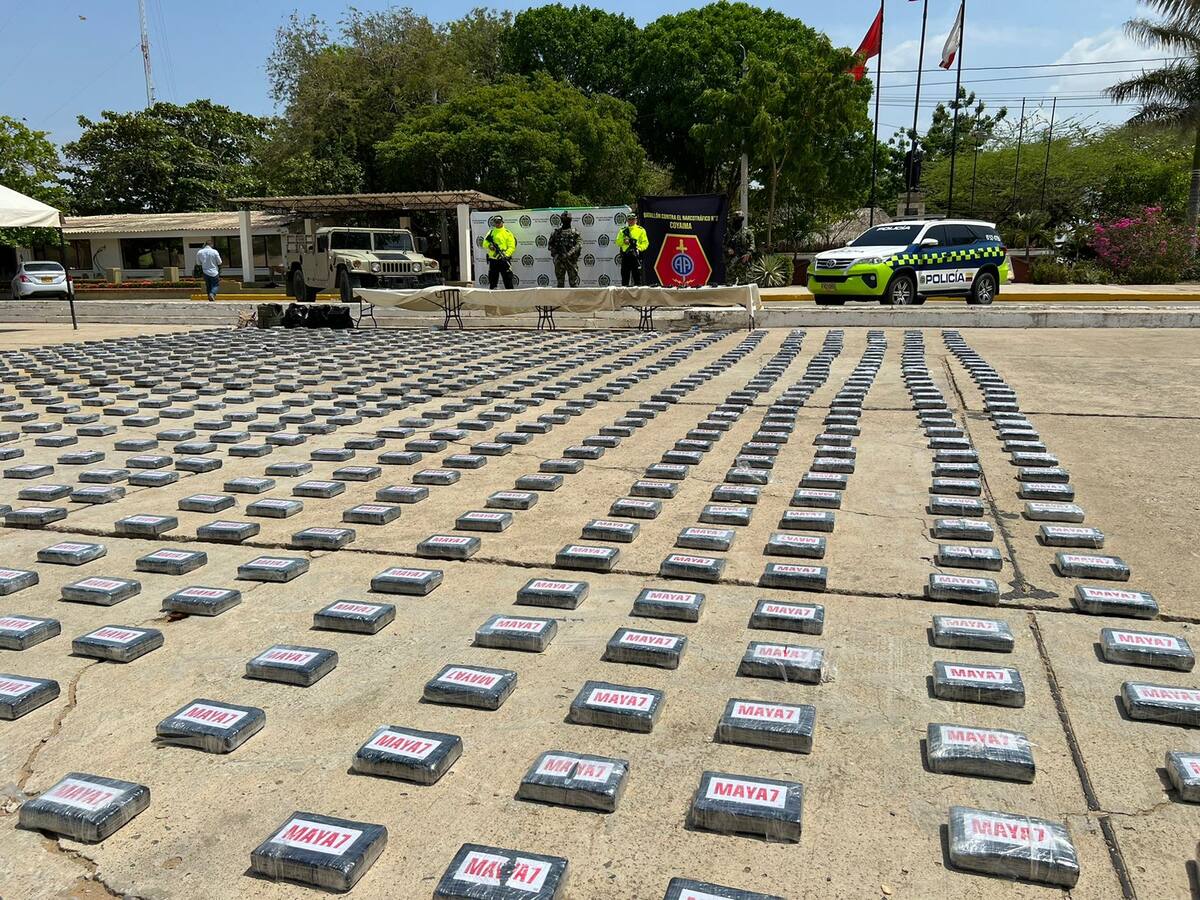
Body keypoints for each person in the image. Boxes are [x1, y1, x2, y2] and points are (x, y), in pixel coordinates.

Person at [548, 211, 582, 288]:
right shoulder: (556, 233)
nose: (566, 221)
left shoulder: (574, 232)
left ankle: (574, 300)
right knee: (560, 284)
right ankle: (560, 299)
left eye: (567, 219)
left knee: (573, 284)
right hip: (559, 260)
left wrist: (569, 253)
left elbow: (579, 245)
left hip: (571, 260)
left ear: (570, 220)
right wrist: (557, 254)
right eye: (564, 219)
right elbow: (550, 245)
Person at [616, 213, 649, 286]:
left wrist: (639, 248)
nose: (631, 221)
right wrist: (624, 241)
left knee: (637, 278)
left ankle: (638, 296)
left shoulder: (641, 230)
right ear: (627, 221)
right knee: (625, 278)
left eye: (633, 219)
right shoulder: (623, 230)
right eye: (629, 219)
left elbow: (645, 243)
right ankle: (624, 296)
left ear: (636, 220)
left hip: (635, 256)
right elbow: (617, 242)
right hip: (626, 256)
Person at [484, 216, 516, 289]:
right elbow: (484, 243)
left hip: (504, 259)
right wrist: (489, 246)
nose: (497, 224)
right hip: (493, 260)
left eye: (499, 222)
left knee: (508, 280)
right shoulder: (491, 232)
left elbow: (512, 246)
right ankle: (492, 298)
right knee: (492, 281)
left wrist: (506, 255)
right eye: (496, 222)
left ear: (502, 222)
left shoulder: (508, 233)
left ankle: (511, 298)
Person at [725, 212, 755, 285]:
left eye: (740, 219)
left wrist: (748, 254)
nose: (738, 221)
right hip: (732, 261)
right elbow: (723, 245)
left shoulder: (747, 232)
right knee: (729, 285)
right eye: (737, 219)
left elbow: (752, 244)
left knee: (744, 285)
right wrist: (728, 249)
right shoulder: (729, 233)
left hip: (743, 261)